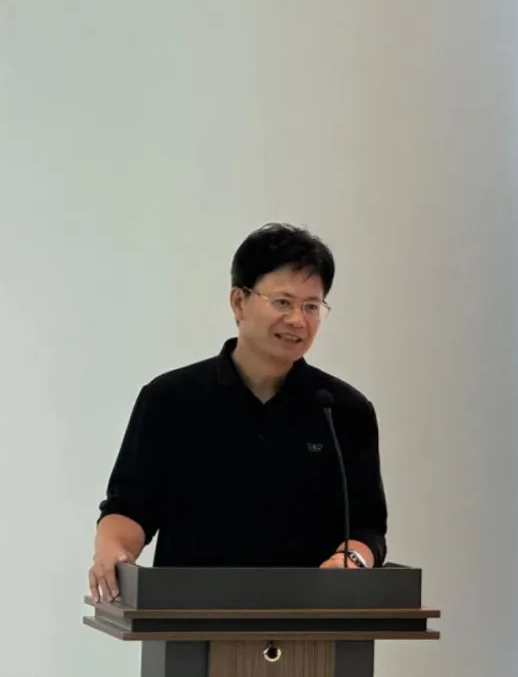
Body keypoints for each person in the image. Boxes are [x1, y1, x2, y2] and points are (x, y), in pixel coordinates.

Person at [88, 223, 388, 603]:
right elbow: (129, 507)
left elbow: (368, 528)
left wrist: (352, 561)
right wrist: (112, 551)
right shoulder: (171, 399)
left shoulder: (342, 410)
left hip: (312, 615)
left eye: (311, 306)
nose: (298, 320)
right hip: (189, 615)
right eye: (283, 302)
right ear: (239, 301)